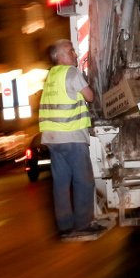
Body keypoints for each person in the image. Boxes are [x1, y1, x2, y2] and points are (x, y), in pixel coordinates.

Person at [39, 39, 105, 240]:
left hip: (52, 138)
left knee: (61, 183)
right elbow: (90, 96)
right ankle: (83, 224)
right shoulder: (72, 72)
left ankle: (65, 225)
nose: (75, 54)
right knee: (83, 181)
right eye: (70, 51)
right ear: (59, 56)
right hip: (72, 136)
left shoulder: (51, 76)